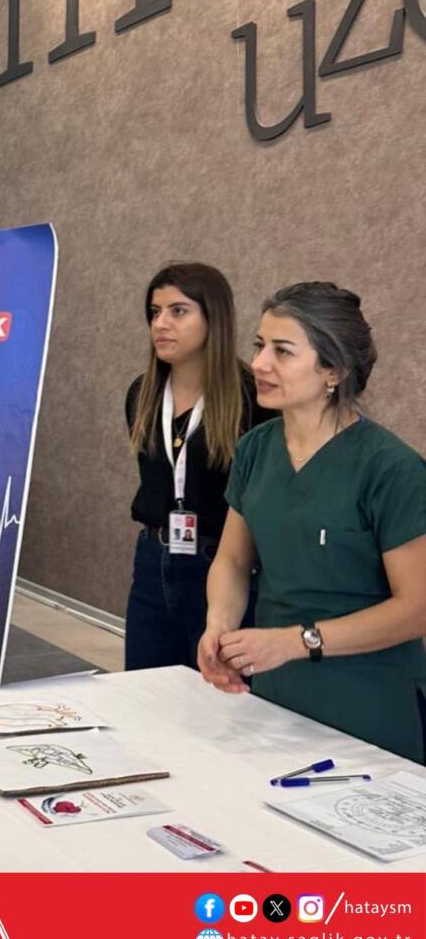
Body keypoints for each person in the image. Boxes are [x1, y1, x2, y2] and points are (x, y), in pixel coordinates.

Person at [198, 283, 426, 763]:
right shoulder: (255, 449)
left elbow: (416, 609)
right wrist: (219, 626)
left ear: (333, 371)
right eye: (260, 345)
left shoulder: (391, 469)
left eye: (282, 351)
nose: (259, 363)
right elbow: (233, 561)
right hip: (275, 688)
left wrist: (297, 641)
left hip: (365, 699)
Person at [125, 263, 275, 671]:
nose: (161, 324)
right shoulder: (142, 394)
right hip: (153, 558)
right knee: (144, 686)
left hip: (221, 564)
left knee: (218, 692)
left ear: (214, 318)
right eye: (155, 312)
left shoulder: (251, 398)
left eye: (178, 311)